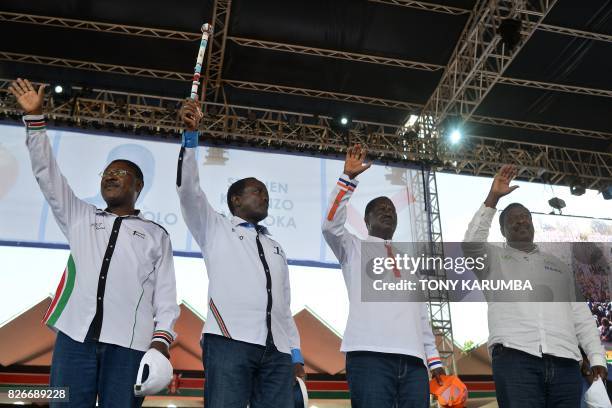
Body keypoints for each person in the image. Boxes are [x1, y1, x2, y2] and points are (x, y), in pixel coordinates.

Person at [8, 78, 179, 407]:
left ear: (138, 185)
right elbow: (48, 174)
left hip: (130, 345)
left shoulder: (157, 234)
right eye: (106, 174)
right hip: (74, 339)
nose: (110, 177)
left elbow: (167, 297)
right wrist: (35, 122)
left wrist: (161, 342)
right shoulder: (80, 216)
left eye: (120, 173)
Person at [176, 99, 305, 407]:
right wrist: (190, 138)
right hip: (228, 340)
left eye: (266, 192)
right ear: (235, 199)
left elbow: (284, 304)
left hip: (277, 349)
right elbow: (188, 191)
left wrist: (296, 353)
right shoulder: (215, 227)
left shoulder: (275, 246)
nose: (265, 196)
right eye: (257, 190)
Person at [462, 164, 607, 408]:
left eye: (525, 217)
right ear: (503, 230)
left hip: (565, 362)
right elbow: (470, 245)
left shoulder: (559, 266)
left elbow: (581, 315)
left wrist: (596, 357)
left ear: (532, 224)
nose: (520, 222)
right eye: (512, 220)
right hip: (515, 358)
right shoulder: (492, 259)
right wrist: (493, 198)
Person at [322, 144, 445, 408]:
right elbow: (329, 225)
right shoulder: (352, 247)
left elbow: (420, 314)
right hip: (369, 357)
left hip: (414, 362)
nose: (388, 211)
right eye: (380, 208)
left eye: (391, 209)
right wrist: (348, 179)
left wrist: (434, 361)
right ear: (366, 220)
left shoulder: (410, 261)